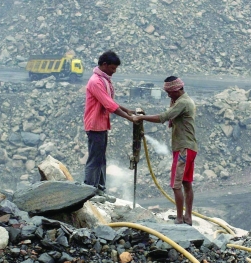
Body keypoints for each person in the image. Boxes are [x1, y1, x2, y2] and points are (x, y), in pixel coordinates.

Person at [135, 76, 198, 225]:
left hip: (183, 148)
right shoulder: (183, 101)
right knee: (186, 183)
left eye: (169, 92)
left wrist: (141, 118)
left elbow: (164, 117)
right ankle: (187, 217)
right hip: (189, 147)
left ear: (177, 90)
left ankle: (179, 218)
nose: (168, 95)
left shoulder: (182, 102)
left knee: (176, 184)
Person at [83, 50, 134, 190]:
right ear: (104, 65)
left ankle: (99, 187)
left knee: (100, 158)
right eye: (112, 68)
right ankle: (89, 189)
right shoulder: (96, 82)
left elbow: (109, 100)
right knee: (95, 159)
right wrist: (128, 117)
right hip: (95, 125)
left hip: (101, 125)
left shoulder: (103, 80)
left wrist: (127, 110)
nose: (114, 71)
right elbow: (109, 104)